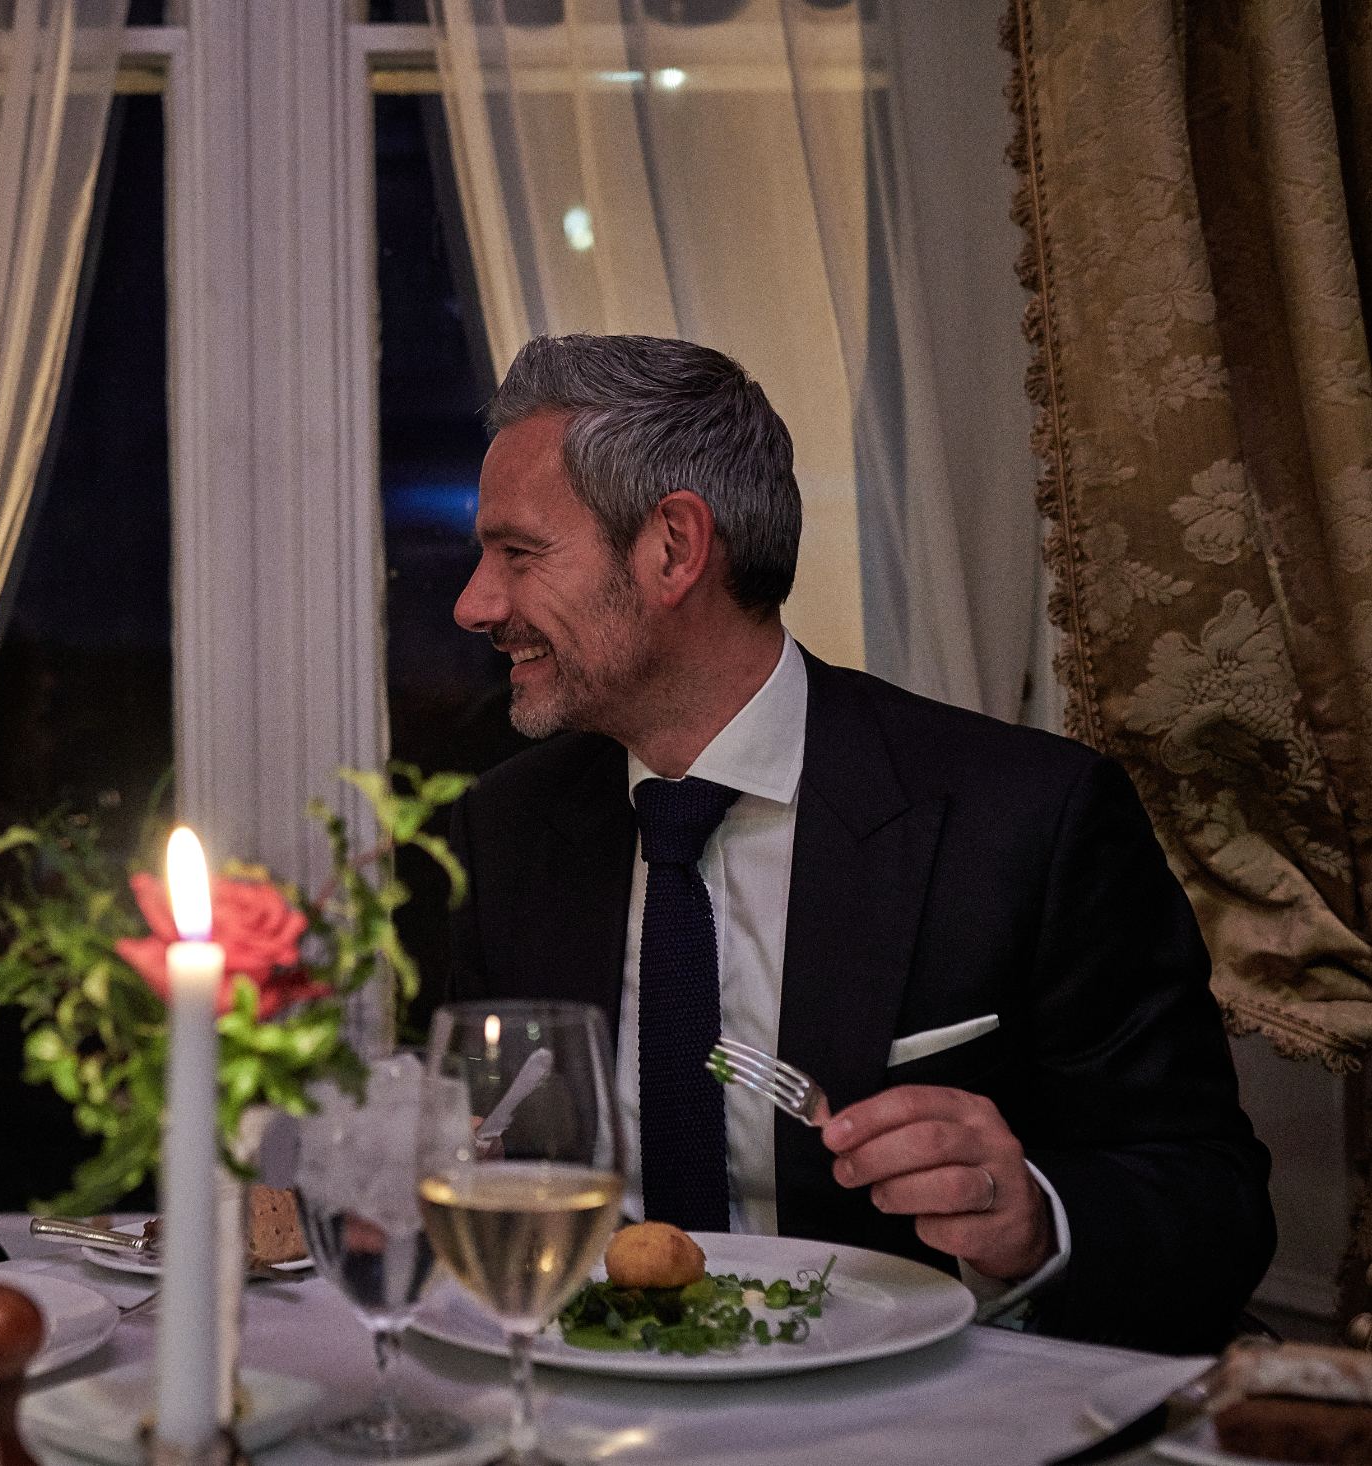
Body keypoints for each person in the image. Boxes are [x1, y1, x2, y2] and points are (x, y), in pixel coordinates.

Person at [439, 334, 1274, 1353]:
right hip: (593, 1409)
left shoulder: (1025, 818)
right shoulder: (508, 829)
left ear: (671, 547)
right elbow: (467, 1148)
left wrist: (1035, 1214)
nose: (473, 602)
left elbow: (1209, 1201)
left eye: (518, 553)